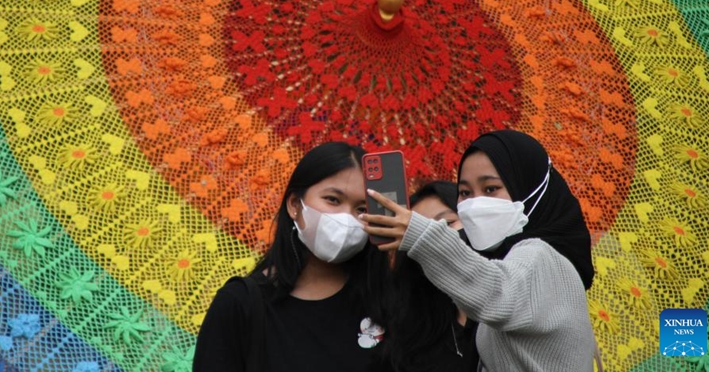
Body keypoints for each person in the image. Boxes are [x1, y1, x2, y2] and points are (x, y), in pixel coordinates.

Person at [362, 130, 596, 371]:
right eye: (465, 193)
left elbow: (498, 294)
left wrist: (420, 233)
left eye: (491, 189)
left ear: (529, 189)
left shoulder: (541, 256)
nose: (475, 203)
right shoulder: (510, 261)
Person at [193, 141, 389, 372]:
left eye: (362, 210)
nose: (347, 219)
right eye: (333, 200)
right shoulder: (240, 304)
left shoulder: (386, 301)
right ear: (295, 204)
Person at [383, 181, 479, 372]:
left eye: (448, 222)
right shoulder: (410, 331)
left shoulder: (510, 301)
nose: (436, 237)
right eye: (421, 233)